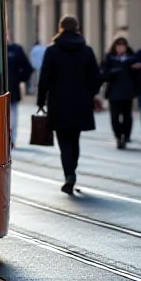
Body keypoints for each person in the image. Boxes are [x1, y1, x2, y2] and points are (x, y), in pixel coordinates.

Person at [37, 15, 101, 194]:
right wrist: (90, 93)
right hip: (81, 102)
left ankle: (69, 174)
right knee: (75, 138)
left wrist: (41, 101)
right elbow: (97, 77)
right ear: (77, 28)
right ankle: (72, 170)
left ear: (61, 28)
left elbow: (44, 79)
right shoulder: (86, 50)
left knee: (64, 140)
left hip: (59, 103)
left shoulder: (52, 51)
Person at [100, 36, 141, 149]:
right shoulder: (109, 58)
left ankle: (126, 135)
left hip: (127, 92)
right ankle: (118, 135)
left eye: (123, 46)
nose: (120, 48)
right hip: (114, 93)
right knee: (115, 117)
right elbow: (103, 73)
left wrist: (135, 69)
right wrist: (112, 72)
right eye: (118, 46)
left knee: (127, 116)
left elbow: (138, 75)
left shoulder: (132, 58)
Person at [7, 33, 34, 148]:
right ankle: (7, 140)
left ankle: (11, 140)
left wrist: (20, 78)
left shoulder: (16, 50)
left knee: (12, 114)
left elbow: (28, 68)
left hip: (12, 88)